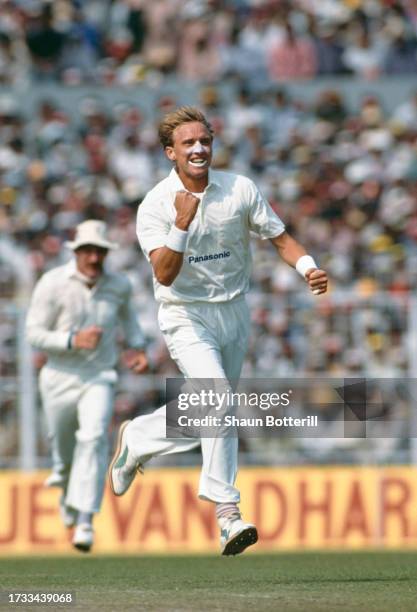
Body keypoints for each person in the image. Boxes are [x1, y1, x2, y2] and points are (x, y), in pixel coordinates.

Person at [109, 106, 328, 555]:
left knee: (211, 411)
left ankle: (139, 438)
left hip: (234, 311)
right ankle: (227, 514)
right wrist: (181, 224)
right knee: (219, 400)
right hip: (185, 314)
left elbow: (281, 238)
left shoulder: (239, 189)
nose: (199, 149)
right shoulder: (155, 204)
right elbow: (165, 274)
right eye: (188, 143)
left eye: (204, 141)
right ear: (170, 152)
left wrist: (308, 267)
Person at [26, 219, 148, 552]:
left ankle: (84, 521)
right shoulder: (52, 283)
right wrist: (71, 339)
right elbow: (33, 333)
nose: (94, 258)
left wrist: (136, 348)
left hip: (99, 376)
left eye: (100, 252)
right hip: (58, 377)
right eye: (88, 251)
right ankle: (68, 496)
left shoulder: (118, 284)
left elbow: (130, 322)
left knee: (94, 438)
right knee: (64, 457)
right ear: (76, 251)